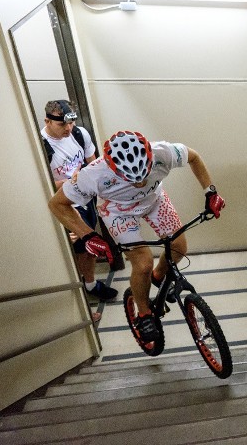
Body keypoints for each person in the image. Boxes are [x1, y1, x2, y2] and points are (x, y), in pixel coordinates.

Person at [48, 130, 226, 342]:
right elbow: (57, 204)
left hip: (155, 200)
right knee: (143, 264)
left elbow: (194, 157)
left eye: (144, 175)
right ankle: (143, 313)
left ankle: (158, 277)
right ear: (113, 170)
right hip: (118, 212)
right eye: (132, 180)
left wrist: (211, 192)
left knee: (179, 248)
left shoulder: (163, 152)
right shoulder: (92, 174)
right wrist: (87, 235)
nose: (139, 184)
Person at [41, 100, 117, 321]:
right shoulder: (42, 145)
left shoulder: (79, 134)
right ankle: (78, 307)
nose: (68, 129)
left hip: (85, 199)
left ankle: (91, 283)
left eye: (71, 123)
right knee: (71, 249)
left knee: (89, 243)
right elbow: (43, 183)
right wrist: (73, 180)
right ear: (47, 121)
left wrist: (100, 192)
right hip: (64, 204)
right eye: (62, 125)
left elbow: (93, 165)